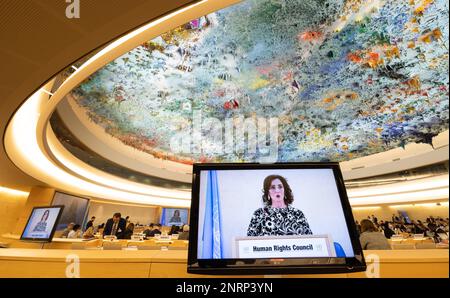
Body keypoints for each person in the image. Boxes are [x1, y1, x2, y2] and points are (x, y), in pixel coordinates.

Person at [247, 175, 312, 236]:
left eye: (280, 187)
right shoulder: (259, 214)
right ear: (267, 192)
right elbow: (249, 241)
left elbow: (310, 239)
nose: (277, 190)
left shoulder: (297, 214)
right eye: (272, 187)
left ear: (285, 190)